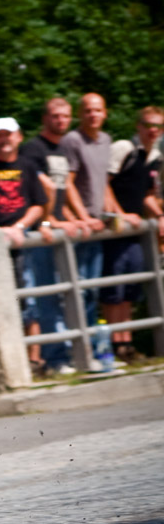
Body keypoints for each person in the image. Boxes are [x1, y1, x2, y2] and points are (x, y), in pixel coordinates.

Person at [0, 118, 51, 376]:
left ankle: (35, 360)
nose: (4, 140)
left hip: (23, 241)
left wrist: (20, 226)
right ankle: (9, 363)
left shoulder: (27, 165)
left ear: (18, 136)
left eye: (8, 135)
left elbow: (39, 202)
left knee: (29, 300)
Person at [18, 98, 78, 374]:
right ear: (45, 118)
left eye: (66, 116)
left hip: (58, 227)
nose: (61, 121)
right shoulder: (33, 148)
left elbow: (62, 190)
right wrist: (49, 219)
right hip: (43, 230)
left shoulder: (64, 147)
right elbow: (43, 190)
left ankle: (71, 354)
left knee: (69, 292)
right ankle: (55, 359)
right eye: (55, 116)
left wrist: (74, 218)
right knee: (47, 294)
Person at [104, 106, 164, 362]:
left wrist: (160, 217)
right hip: (115, 228)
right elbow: (103, 183)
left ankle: (126, 343)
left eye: (158, 127)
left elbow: (148, 195)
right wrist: (120, 214)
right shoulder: (123, 148)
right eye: (148, 125)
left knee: (129, 288)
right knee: (113, 288)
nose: (153, 131)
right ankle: (114, 344)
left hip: (136, 229)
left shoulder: (155, 157)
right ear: (138, 126)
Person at [60, 93, 114, 334]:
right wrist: (83, 217)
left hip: (98, 225)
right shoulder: (72, 140)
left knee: (92, 288)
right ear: (80, 114)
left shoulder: (105, 140)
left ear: (105, 113)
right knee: (77, 287)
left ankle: (93, 342)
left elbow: (104, 183)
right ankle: (77, 344)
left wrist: (120, 214)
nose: (93, 115)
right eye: (88, 110)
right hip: (81, 226)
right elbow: (67, 182)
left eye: (98, 110)